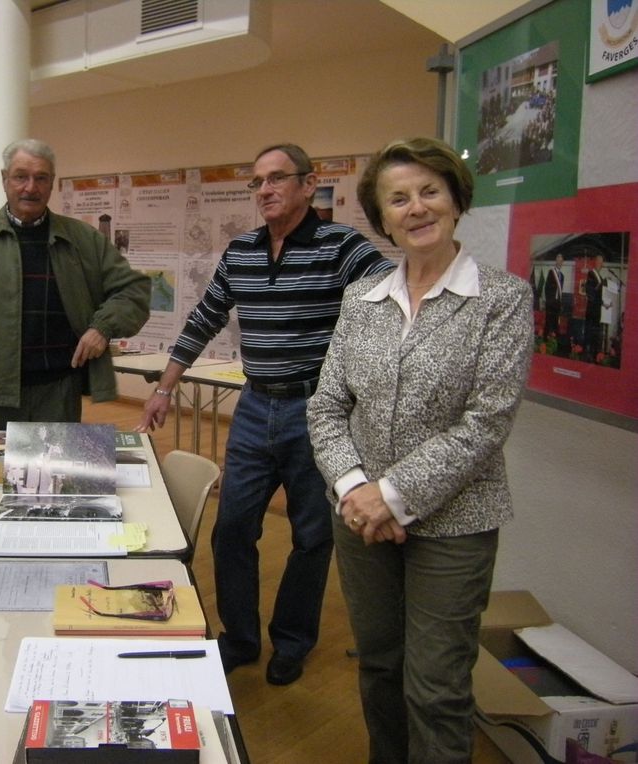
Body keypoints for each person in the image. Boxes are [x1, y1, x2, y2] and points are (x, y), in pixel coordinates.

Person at [306, 137, 533, 762]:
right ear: (381, 220)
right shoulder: (362, 299)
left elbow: (487, 421)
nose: (416, 208)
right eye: (398, 199)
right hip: (360, 522)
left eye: (430, 191)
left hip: (455, 523)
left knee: (436, 688)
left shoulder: (502, 298)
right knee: (379, 666)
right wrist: (356, 490)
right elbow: (327, 406)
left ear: (456, 199)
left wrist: (393, 495)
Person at [135, 143, 393, 685]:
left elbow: (393, 305)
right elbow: (204, 318)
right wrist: (164, 388)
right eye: (258, 182)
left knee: (311, 535)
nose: (266, 190)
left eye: (278, 179)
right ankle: (241, 638)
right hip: (254, 407)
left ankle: (293, 642)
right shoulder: (242, 250)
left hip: (316, 412)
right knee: (231, 529)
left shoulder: (343, 247)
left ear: (307, 184)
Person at [0, 138, 150, 431]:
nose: (30, 187)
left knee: (56, 475)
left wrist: (102, 327)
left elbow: (135, 291)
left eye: (40, 178)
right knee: (0, 474)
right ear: (5, 179)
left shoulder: (84, 240)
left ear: (52, 183)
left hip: (60, 389)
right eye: (21, 176)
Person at [584, 254, 609, 361]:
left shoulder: (600, 277)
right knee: (589, 333)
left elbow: (599, 296)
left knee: (596, 334)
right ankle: (587, 354)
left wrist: (605, 304)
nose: (601, 263)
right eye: (599, 261)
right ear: (596, 262)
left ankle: (594, 354)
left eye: (602, 261)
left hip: (597, 310)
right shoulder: (591, 273)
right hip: (591, 310)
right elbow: (590, 292)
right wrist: (600, 284)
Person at [543, 252, 564, 340]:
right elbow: (546, 287)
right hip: (551, 302)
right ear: (556, 261)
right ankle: (544, 340)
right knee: (548, 321)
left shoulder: (562, 276)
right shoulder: (551, 272)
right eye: (558, 259)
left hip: (557, 303)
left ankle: (554, 341)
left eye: (561, 260)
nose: (559, 262)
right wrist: (549, 300)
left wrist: (560, 302)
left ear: (562, 262)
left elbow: (560, 290)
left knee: (555, 323)